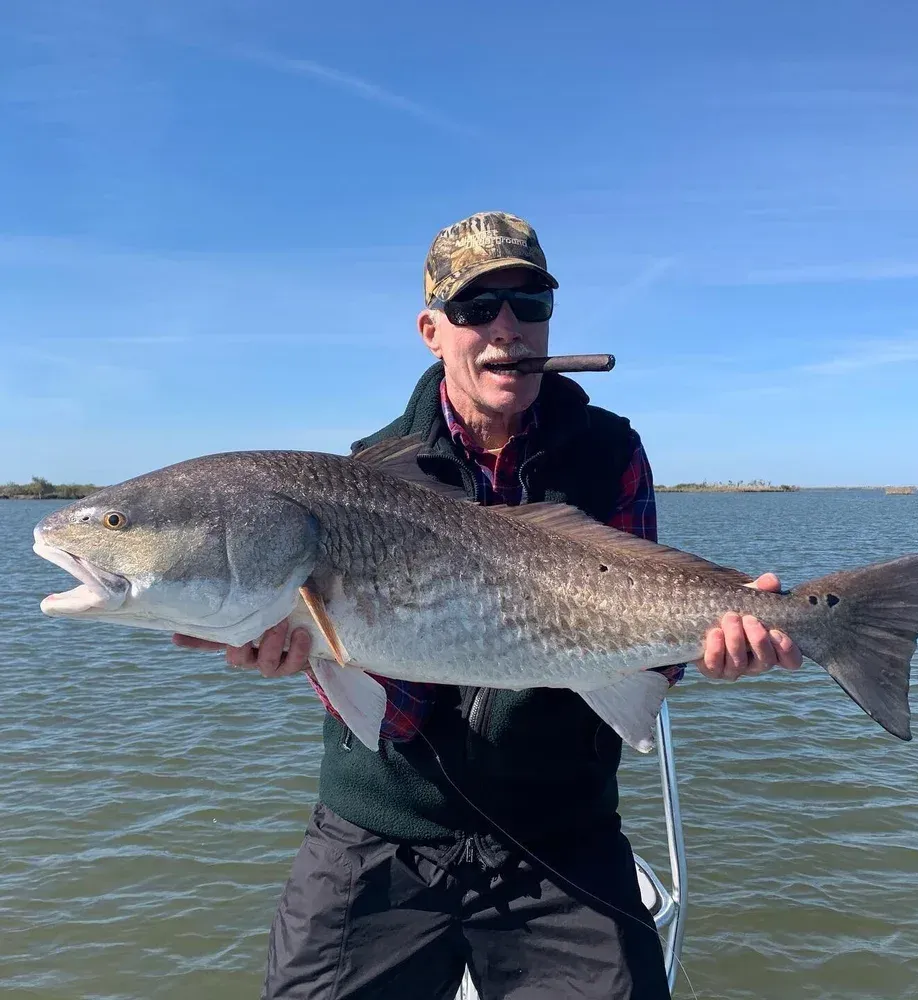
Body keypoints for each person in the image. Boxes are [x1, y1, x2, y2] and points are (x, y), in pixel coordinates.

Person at [174, 212, 802, 999]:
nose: (506, 327)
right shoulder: (369, 474)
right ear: (431, 330)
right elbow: (382, 711)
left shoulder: (609, 452)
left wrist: (717, 641)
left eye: (529, 304)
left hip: (561, 838)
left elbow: (643, 628)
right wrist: (290, 644)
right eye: (476, 309)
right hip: (382, 832)